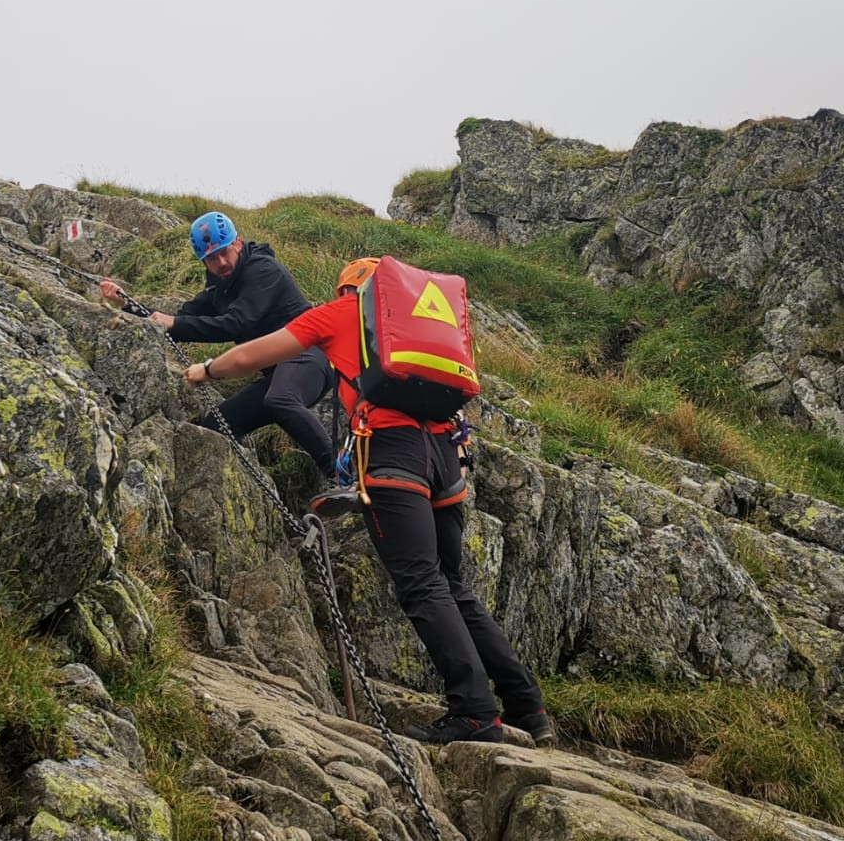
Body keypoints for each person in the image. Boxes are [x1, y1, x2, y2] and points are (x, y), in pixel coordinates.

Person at [183, 256, 554, 747]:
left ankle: (474, 710)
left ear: (348, 288)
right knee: (453, 585)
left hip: (392, 452)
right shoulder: (423, 326)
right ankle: (527, 706)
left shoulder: (340, 314)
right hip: (447, 454)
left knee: (421, 584)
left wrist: (205, 370)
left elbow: (254, 356)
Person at [100, 211, 339, 479]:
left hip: (310, 355)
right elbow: (179, 320)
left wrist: (174, 324)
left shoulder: (263, 269)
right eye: (212, 258)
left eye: (225, 252)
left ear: (237, 243)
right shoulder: (218, 288)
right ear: (203, 260)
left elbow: (237, 323)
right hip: (277, 372)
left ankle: (341, 472)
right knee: (217, 424)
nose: (221, 262)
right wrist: (127, 304)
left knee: (281, 398)